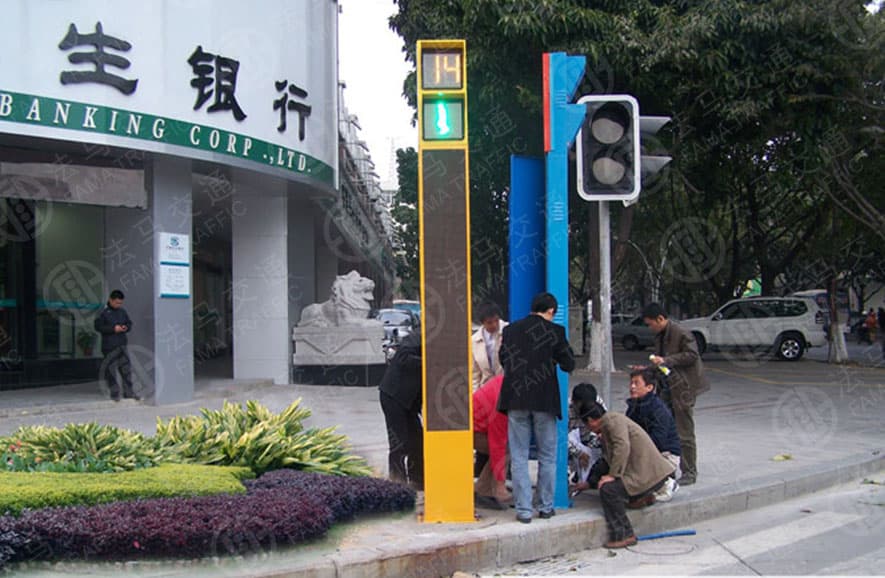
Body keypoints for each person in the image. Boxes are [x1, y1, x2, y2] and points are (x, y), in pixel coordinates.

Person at [497, 292, 575, 524]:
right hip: (544, 401)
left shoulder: (511, 330)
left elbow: (504, 359)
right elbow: (568, 363)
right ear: (550, 311)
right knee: (547, 456)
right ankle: (545, 506)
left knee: (519, 456)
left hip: (516, 399)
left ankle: (523, 510)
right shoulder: (555, 331)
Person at [581, 401, 676, 549]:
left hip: (648, 474)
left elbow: (622, 447)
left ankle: (624, 534)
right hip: (648, 473)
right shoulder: (610, 424)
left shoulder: (612, 422)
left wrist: (612, 475)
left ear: (590, 421)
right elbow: (608, 460)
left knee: (608, 490)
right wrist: (590, 482)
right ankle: (640, 498)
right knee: (614, 485)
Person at [642, 302, 709, 486]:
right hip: (666, 387)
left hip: (683, 388)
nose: (650, 328)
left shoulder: (681, 333)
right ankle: (665, 468)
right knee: (662, 426)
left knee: (684, 431)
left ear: (660, 319)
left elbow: (692, 355)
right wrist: (647, 370)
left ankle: (689, 471)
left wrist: (667, 360)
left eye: (650, 324)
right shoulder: (660, 335)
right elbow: (660, 363)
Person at [625, 368, 681, 501]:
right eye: (631, 383)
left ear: (649, 387)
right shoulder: (634, 406)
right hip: (646, 449)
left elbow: (658, 441)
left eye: (637, 383)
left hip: (665, 454)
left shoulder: (658, 410)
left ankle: (666, 483)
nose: (632, 387)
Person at [378, 331, 424, 490]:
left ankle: (418, 481)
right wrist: (429, 362)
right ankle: (397, 483)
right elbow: (404, 358)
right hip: (394, 396)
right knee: (399, 442)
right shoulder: (416, 337)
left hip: (410, 402)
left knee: (418, 440)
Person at [472, 374, 512, 509]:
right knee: (505, 450)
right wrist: (500, 483)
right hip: (472, 430)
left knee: (503, 448)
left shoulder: (502, 381)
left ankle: (484, 489)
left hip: (470, 425)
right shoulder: (502, 404)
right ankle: (485, 491)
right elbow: (498, 445)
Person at [93, 289, 138, 401]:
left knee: (126, 370)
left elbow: (129, 323)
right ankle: (115, 393)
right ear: (111, 300)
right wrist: (113, 329)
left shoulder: (122, 312)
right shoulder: (103, 312)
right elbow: (98, 327)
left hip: (122, 344)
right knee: (111, 370)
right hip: (109, 345)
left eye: (120, 303)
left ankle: (129, 392)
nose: (118, 305)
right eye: (117, 303)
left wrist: (126, 327)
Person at [567, 382, 607, 495]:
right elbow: (560, 437)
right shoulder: (566, 409)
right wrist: (579, 453)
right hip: (571, 442)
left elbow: (605, 426)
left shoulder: (597, 402)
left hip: (590, 439)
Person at [471, 302, 508, 391]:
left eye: (496, 320)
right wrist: (475, 395)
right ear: (482, 323)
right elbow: (475, 375)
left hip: (506, 386)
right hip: (487, 389)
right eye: (489, 322)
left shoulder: (508, 331)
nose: (494, 325)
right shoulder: (474, 340)